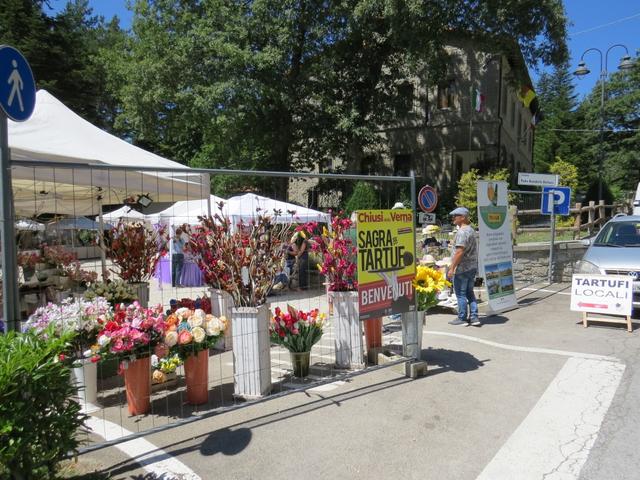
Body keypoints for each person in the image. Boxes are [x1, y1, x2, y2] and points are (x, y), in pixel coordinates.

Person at [446, 207, 480, 326]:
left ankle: (462, 318)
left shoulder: (462, 232)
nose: (453, 218)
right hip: (471, 267)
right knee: (470, 292)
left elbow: (459, 252)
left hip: (462, 268)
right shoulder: (471, 230)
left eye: (456, 216)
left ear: (463, 217)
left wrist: (452, 268)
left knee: (460, 294)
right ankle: (474, 317)